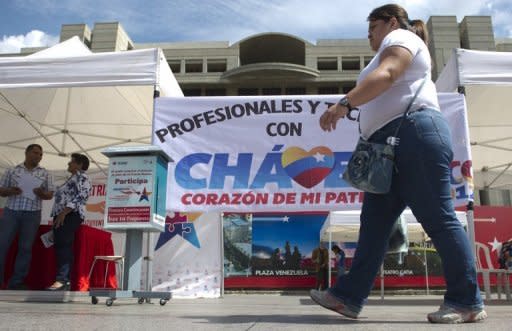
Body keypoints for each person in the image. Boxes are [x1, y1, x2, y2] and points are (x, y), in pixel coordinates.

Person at [310, 4, 486, 324]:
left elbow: (389, 74)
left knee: (438, 218)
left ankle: (466, 300)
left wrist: (345, 103)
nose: (369, 37)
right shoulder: (388, 46)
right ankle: (348, 297)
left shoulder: (402, 37)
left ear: (391, 22)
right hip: (388, 147)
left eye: (372, 29)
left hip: (415, 134)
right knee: (374, 226)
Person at [0, 144, 54, 290]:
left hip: (32, 213)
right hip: (11, 211)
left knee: (25, 248)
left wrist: (41, 193)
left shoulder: (45, 173)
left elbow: (50, 194)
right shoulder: (12, 170)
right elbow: (1, 190)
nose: (38, 156)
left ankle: (16, 282)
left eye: (41, 154)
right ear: (27, 152)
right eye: (35, 153)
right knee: (2, 245)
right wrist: (11, 190)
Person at [46, 153, 91, 291]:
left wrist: (64, 213)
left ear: (79, 165)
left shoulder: (82, 177)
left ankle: (62, 280)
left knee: (63, 244)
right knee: (61, 245)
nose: (68, 164)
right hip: (62, 215)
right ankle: (63, 280)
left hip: (70, 215)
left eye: (71, 162)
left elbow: (81, 197)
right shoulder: (71, 178)